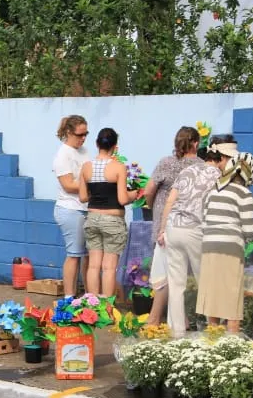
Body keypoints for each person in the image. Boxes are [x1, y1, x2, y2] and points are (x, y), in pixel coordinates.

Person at [156, 136, 237, 336]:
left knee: (176, 285)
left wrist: (162, 229)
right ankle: (213, 330)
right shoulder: (219, 177)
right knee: (206, 283)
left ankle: (177, 332)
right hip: (197, 231)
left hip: (174, 229)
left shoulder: (187, 170)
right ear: (223, 157)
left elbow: (170, 201)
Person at [196, 152, 253, 333]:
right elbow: (248, 231)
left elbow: (204, 221)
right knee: (231, 301)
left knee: (212, 299)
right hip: (230, 249)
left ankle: (212, 341)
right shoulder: (244, 194)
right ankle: (231, 346)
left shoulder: (213, 191)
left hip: (209, 247)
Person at [144, 127, 203, 325]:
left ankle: (160, 318)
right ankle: (176, 318)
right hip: (190, 224)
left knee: (165, 270)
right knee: (180, 274)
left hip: (164, 220)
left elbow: (148, 190)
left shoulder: (166, 162)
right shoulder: (201, 166)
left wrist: (154, 207)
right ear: (196, 143)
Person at [78, 128, 138, 296]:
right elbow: (123, 199)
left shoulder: (86, 167)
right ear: (115, 146)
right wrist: (135, 194)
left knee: (94, 265)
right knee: (109, 267)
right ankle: (107, 307)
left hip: (92, 218)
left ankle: (92, 305)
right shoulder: (119, 167)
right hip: (112, 219)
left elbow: (83, 197)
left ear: (97, 144)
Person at [52, 115, 91, 297]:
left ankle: (89, 295)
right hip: (70, 208)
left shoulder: (84, 151)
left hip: (85, 207)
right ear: (69, 132)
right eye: (80, 134)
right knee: (74, 254)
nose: (83, 138)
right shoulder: (63, 154)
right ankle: (69, 297)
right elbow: (68, 184)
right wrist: (94, 185)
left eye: (86, 134)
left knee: (89, 255)